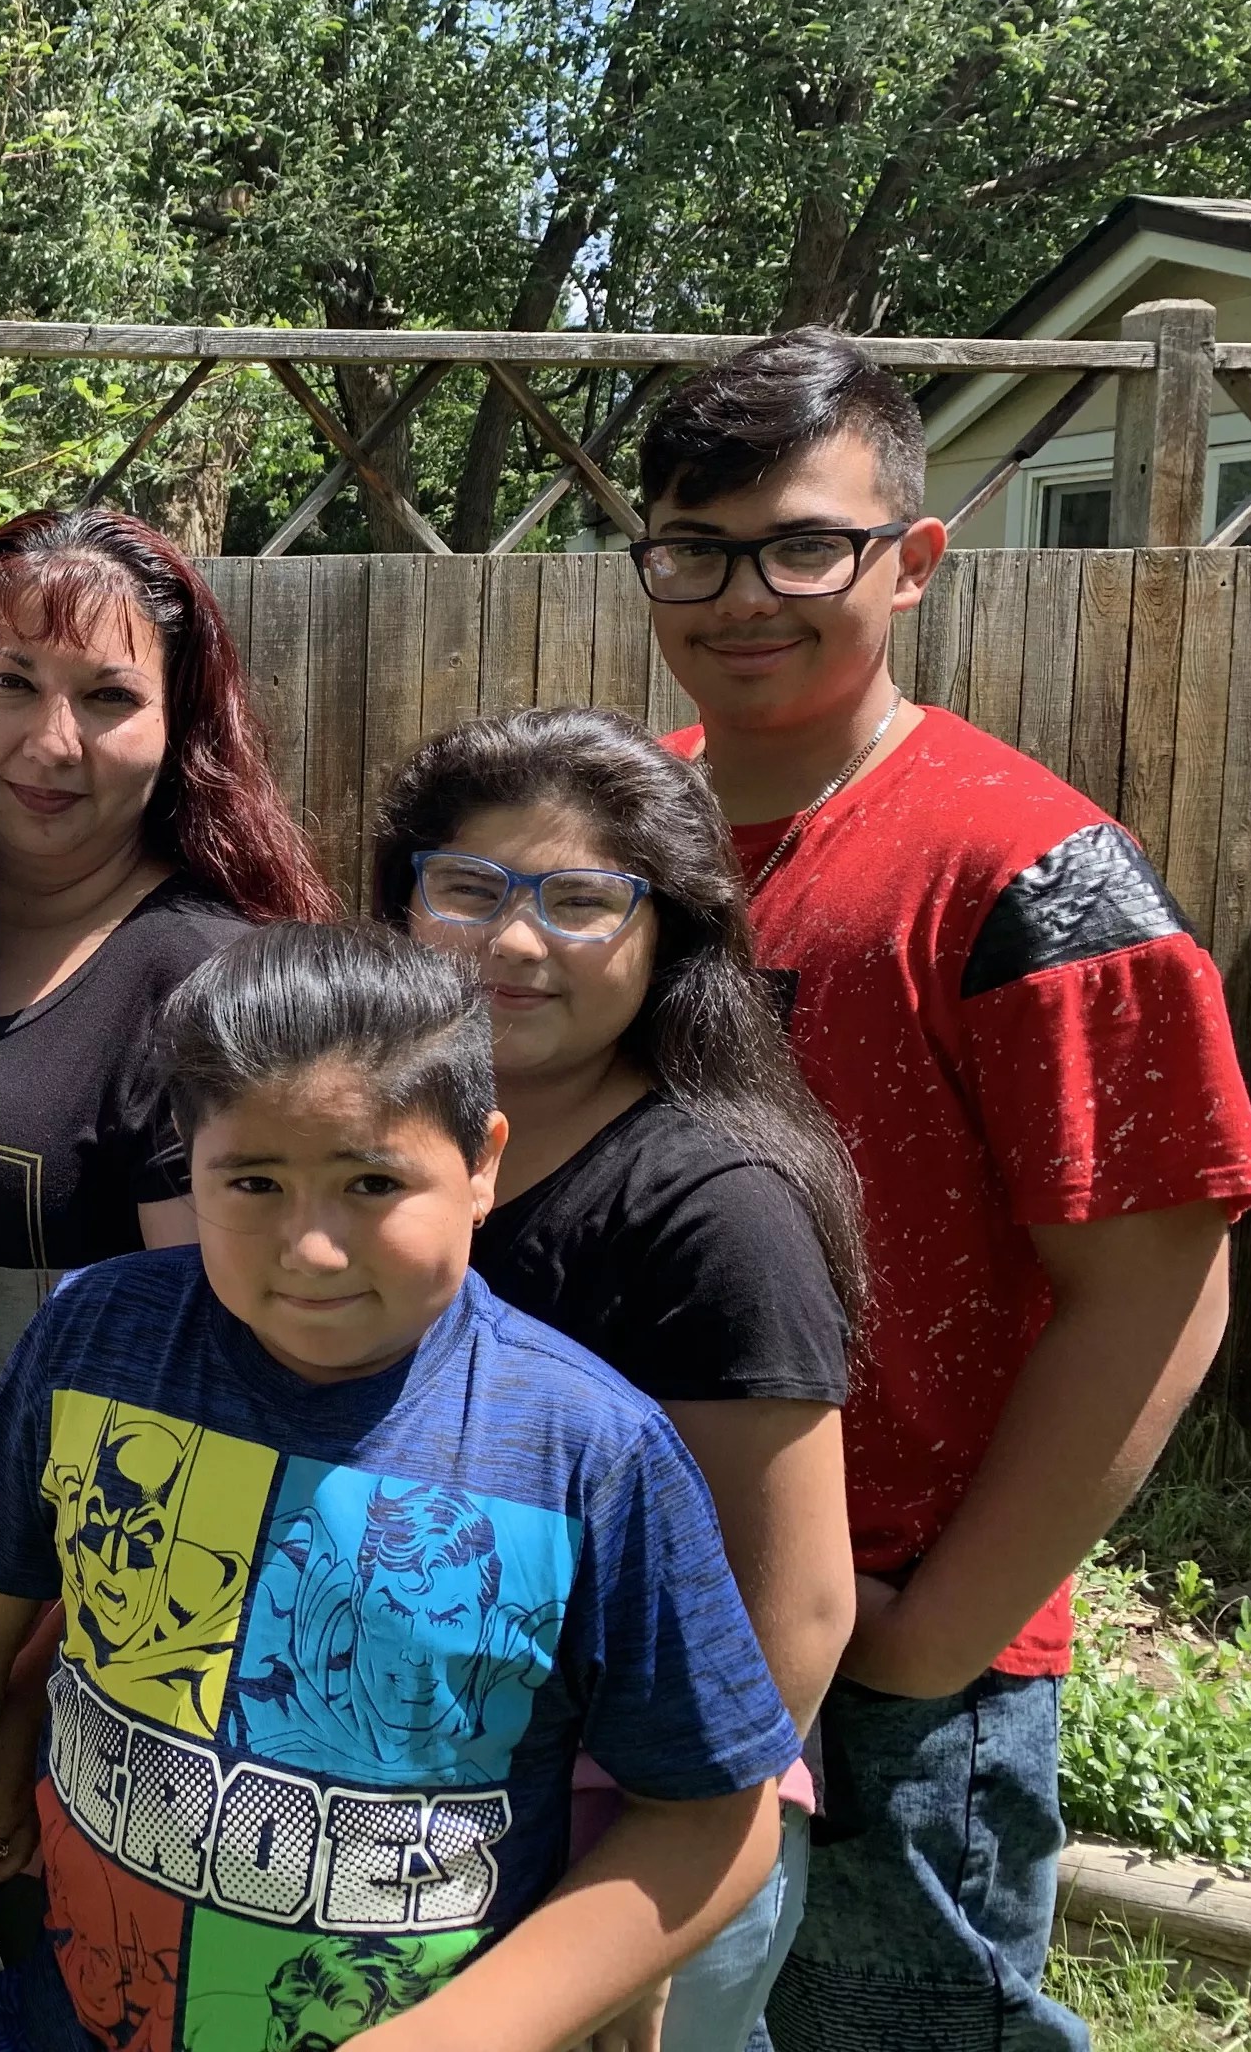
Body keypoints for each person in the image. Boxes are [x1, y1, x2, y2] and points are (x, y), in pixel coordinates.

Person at [638, 329, 1251, 2051]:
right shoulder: (622, 835)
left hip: (894, 1652)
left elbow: (1158, 1290)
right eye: (695, 548)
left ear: (914, 560)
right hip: (644, 1605)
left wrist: (934, 1639)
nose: (743, 594)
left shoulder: (1036, 879)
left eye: (803, 546)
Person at [0, 920, 803, 2052]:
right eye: (252, 1181)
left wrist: (465, 2034)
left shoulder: (589, 1454)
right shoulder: (96, 1338)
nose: (312, 1249)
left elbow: (717, 1819)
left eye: (372, 1182)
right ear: (187, 1163)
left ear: (482, 1164)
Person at [0, 507, 336, 2021]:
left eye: (108, 697)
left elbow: (216, 1404)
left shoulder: (196, 982)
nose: (52, 743)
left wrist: (10, 1700)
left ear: (182, 720)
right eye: (10, 685)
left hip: (98, 1651)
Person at [376, 706, 861, 2052]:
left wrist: (637, 1913)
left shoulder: (713, 1209)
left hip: (626, 1844)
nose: (514, 943)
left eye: (583, 902)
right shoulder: (377, 1150)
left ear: (670, 935)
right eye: (468, 888)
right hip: (426, 1815)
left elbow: (796, 1609)